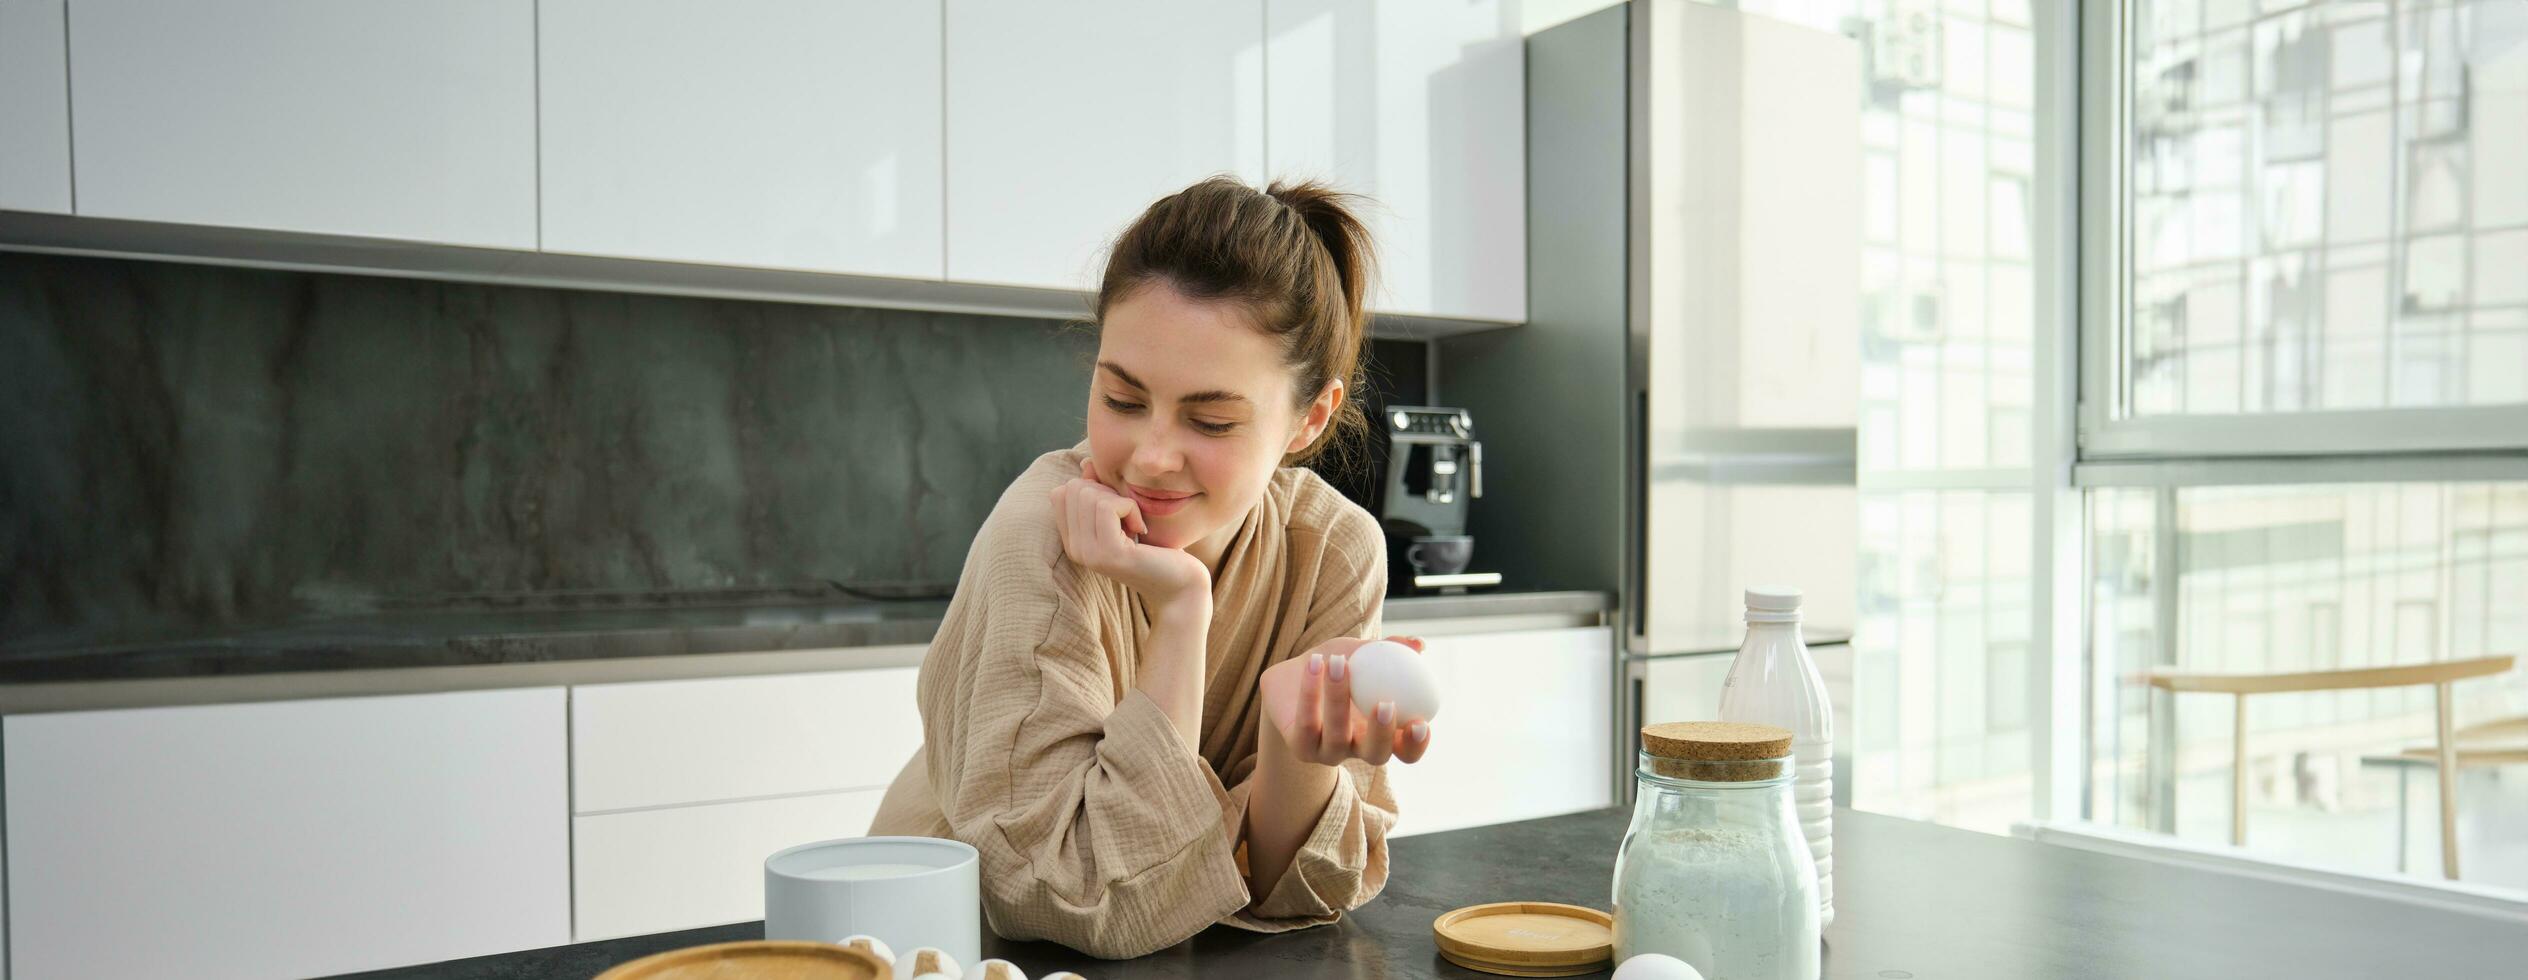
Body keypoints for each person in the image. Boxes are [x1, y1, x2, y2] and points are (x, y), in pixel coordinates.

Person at [868, 175, 1432, 959]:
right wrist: (1181, 610)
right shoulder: (1041, 534)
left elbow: (1296, 892)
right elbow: (1075, 897)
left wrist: (1291, 742)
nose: (1152, 457)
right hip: (948, 954)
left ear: (1311, 418)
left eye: (1210, 420)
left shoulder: (1333, 549)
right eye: (1123, 401)